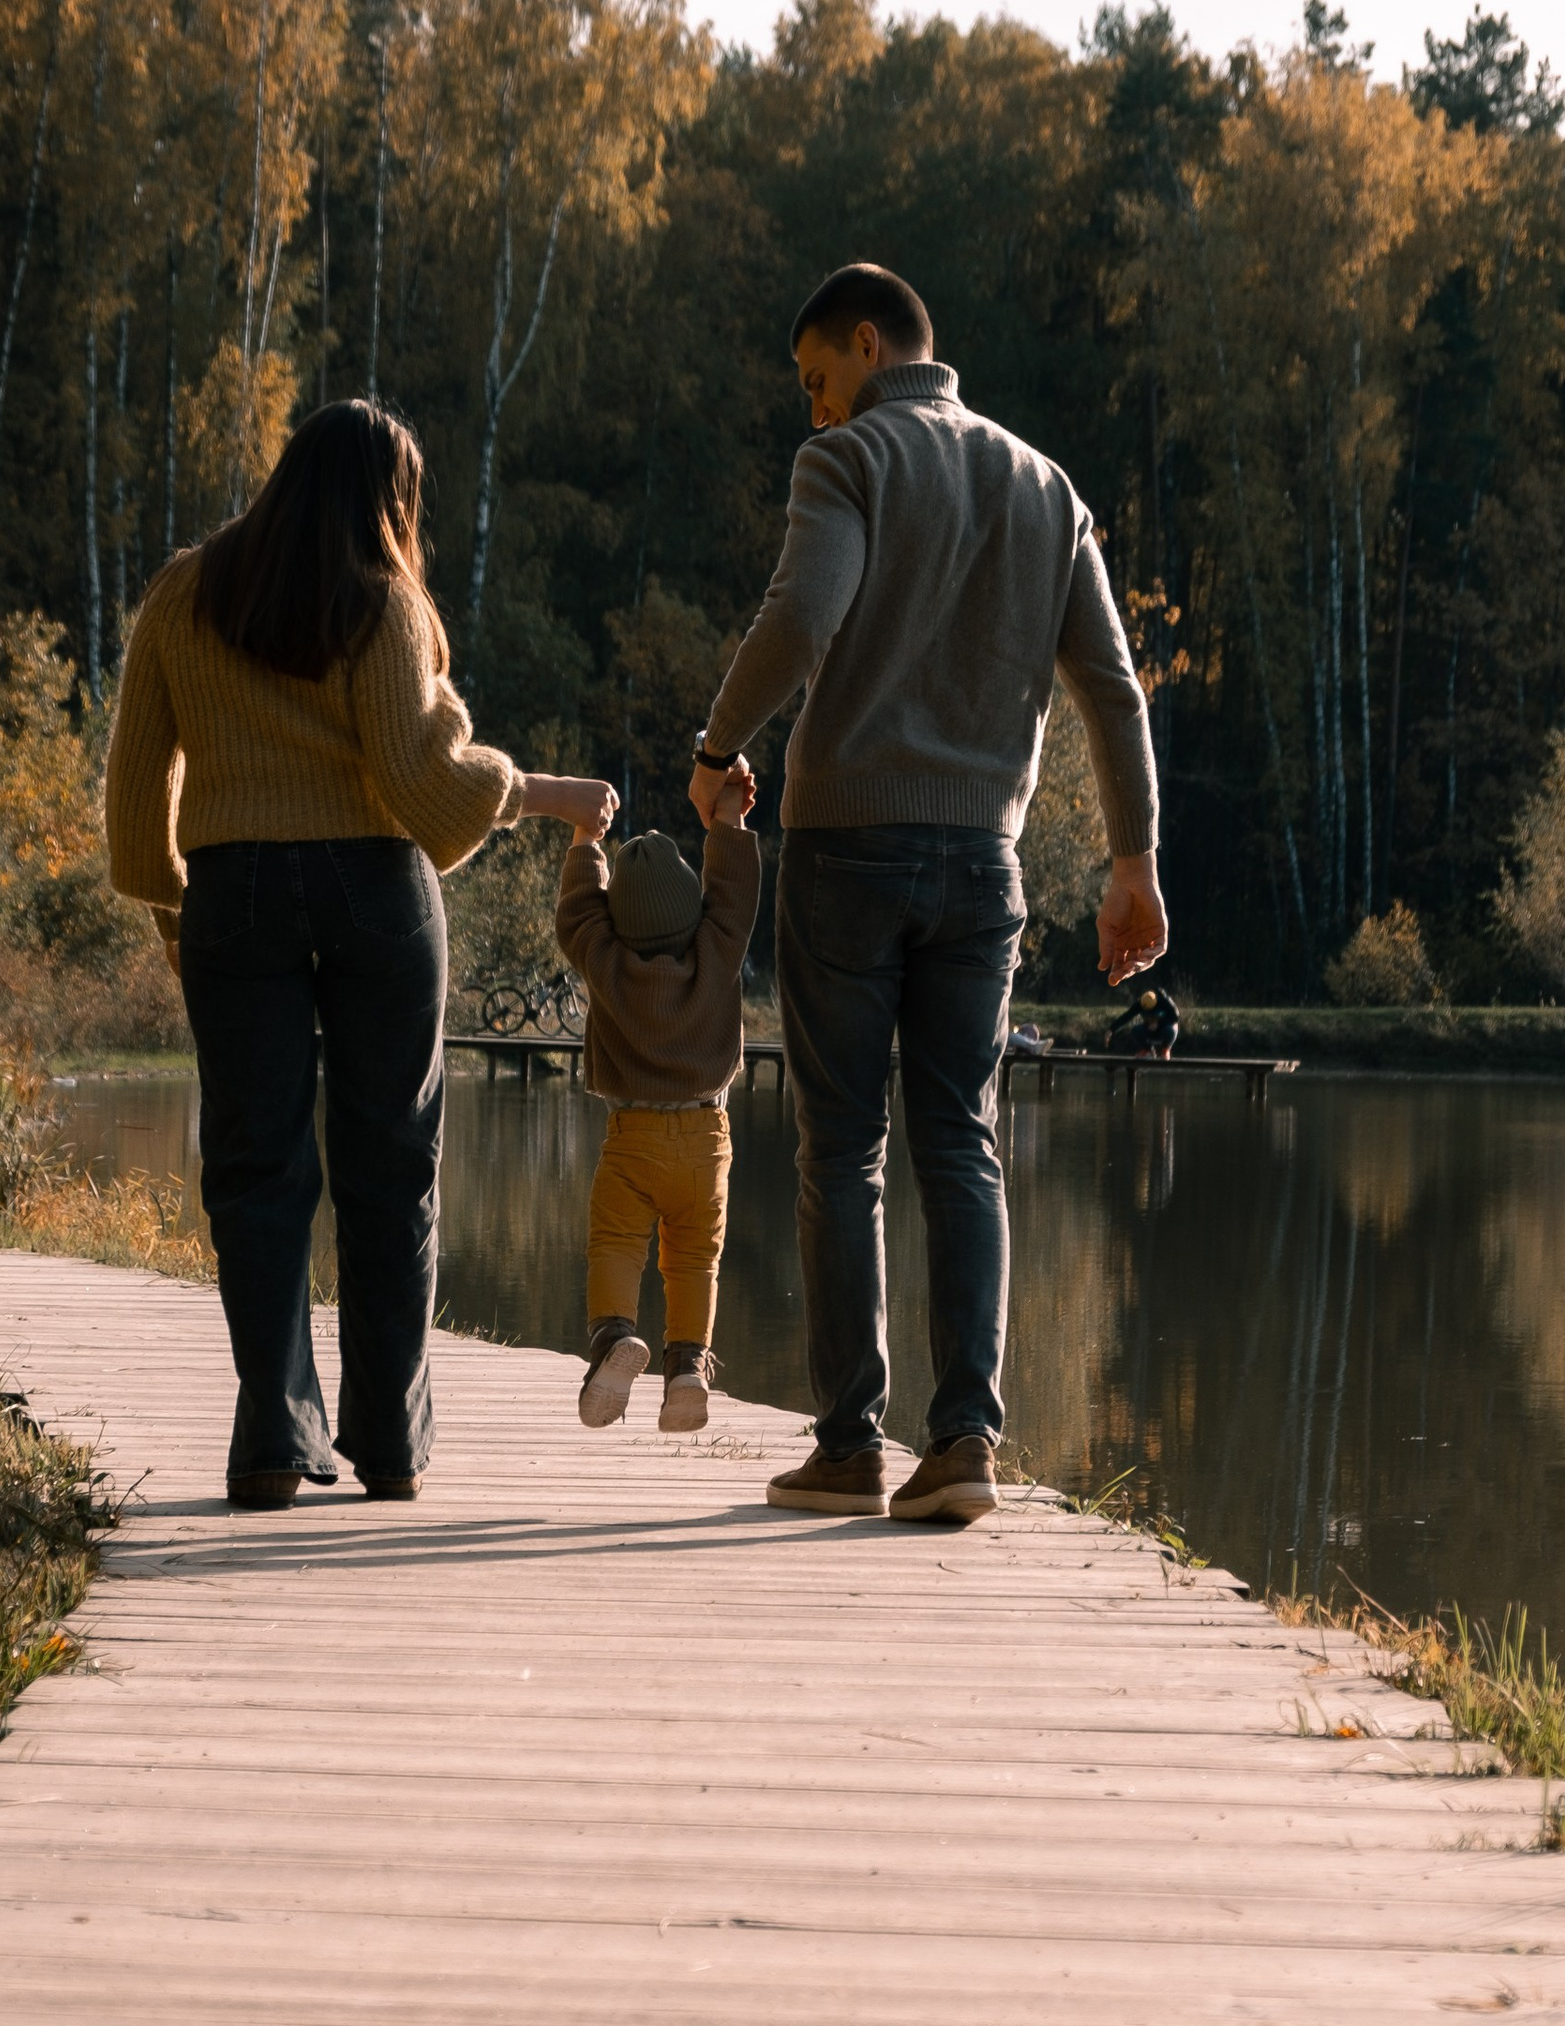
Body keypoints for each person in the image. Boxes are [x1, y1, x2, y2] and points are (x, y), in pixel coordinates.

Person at [690, 263, 1167, 1524]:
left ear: (865, 345)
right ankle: (963, 1442)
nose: (812, 411)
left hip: (847, 847)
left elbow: (800, 616)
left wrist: (714, 746)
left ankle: (848, 1442)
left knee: (842, 1148)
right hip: (981, 867)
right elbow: (1111, 689)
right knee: (962, 1138)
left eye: (815, 381)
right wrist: (1134, 862)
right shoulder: (1041, 483)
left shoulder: (849, 463)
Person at [104, 400, 612, 1509]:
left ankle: (273, 1440)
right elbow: (427, 792)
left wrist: (172, 903)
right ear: (386, 500)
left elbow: (138, 789)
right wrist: (538, 791)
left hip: (233, 891)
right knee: (392, 1170)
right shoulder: (381, 605)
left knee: (255, 1170)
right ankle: (387, 1443)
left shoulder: (183, 595)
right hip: (376, 891)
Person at [552, 769, 762, 1433]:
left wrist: (588, 838)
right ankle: (687, 1369)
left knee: (617, 1240)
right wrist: (726, 820)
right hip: (706, 1137)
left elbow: (579, 912)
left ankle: (615, 1337)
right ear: (690, 912)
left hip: (632, 1137)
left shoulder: (606, 959)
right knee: (695, 1254)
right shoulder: (715, 950)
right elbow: (735, 895)